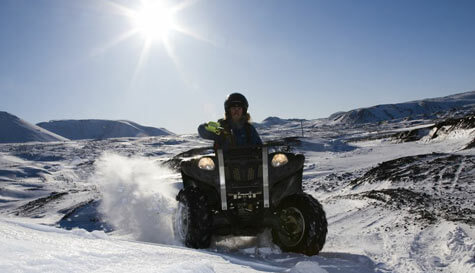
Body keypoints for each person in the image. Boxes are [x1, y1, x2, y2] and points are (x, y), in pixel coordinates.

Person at [198, 93, 262, 150]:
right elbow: (201, 129)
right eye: (233, 108)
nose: (236, 111)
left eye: (239, 108)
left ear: (243, 111)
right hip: (224, 162)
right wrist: (220, 130)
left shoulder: (249, 129)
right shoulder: (221, 126)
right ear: (228, 110)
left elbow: (260, 147)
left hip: (249, 161)